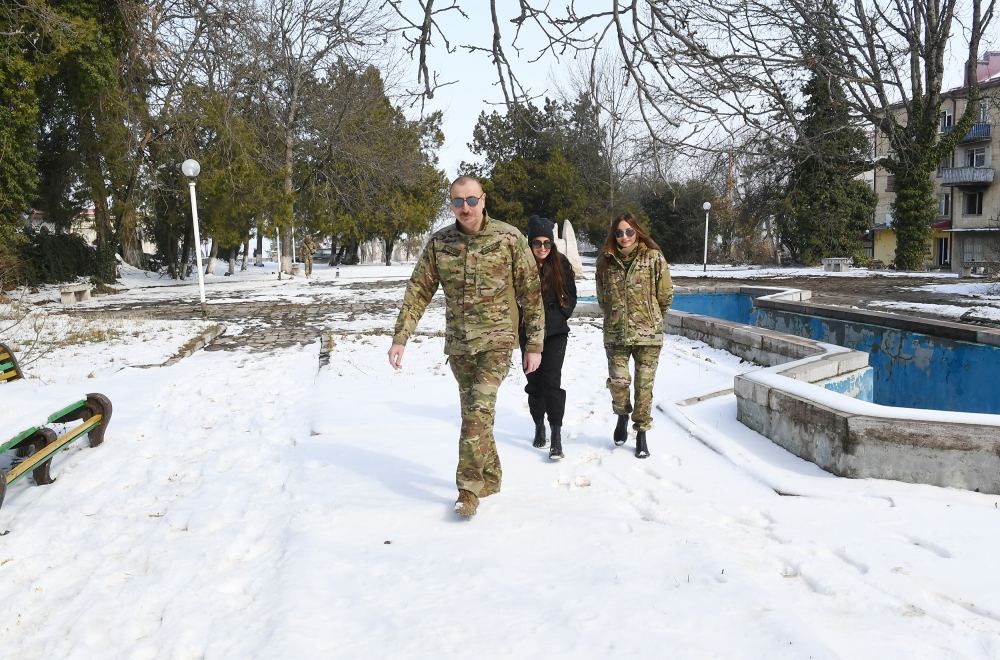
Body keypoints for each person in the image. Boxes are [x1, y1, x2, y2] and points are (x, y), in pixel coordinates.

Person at [388, 176, 544, 518]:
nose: (465, 208)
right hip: (460, 347)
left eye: (471, 200)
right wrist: (401, 337)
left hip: (498, 342)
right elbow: (418, 292)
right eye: (458, 201)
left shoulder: (508, 238)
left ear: (483, 200)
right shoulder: (440, 244)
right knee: (475, 414)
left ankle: (467, 489)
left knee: (477, 412)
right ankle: (491, 476)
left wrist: (534, 344)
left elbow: (531, 295)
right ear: (451, 203)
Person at [595, 212, 673, 459]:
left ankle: (641, 433)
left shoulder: (652, 258)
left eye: (629, 231)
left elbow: (665, 295)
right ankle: (621, 414)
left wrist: (652, 318)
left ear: (637, 232)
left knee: (644, 387)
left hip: (648, 336)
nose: (624, 237)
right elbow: (601, 298)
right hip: (616, 334)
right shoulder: (605, 261)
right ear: (613, 235)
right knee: (618, 382)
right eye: (619, 232)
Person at [520, 216, 577, 460]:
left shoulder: (561, 264)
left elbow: (571, 297)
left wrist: (557, 316)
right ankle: (538, 424)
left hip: (555, 333)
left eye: (546, 243)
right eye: (537, 243)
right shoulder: (521, 265)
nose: (542, 248)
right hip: (527, 333)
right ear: (529, 244)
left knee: (552, 382)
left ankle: (555, 433)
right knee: (534, 383)